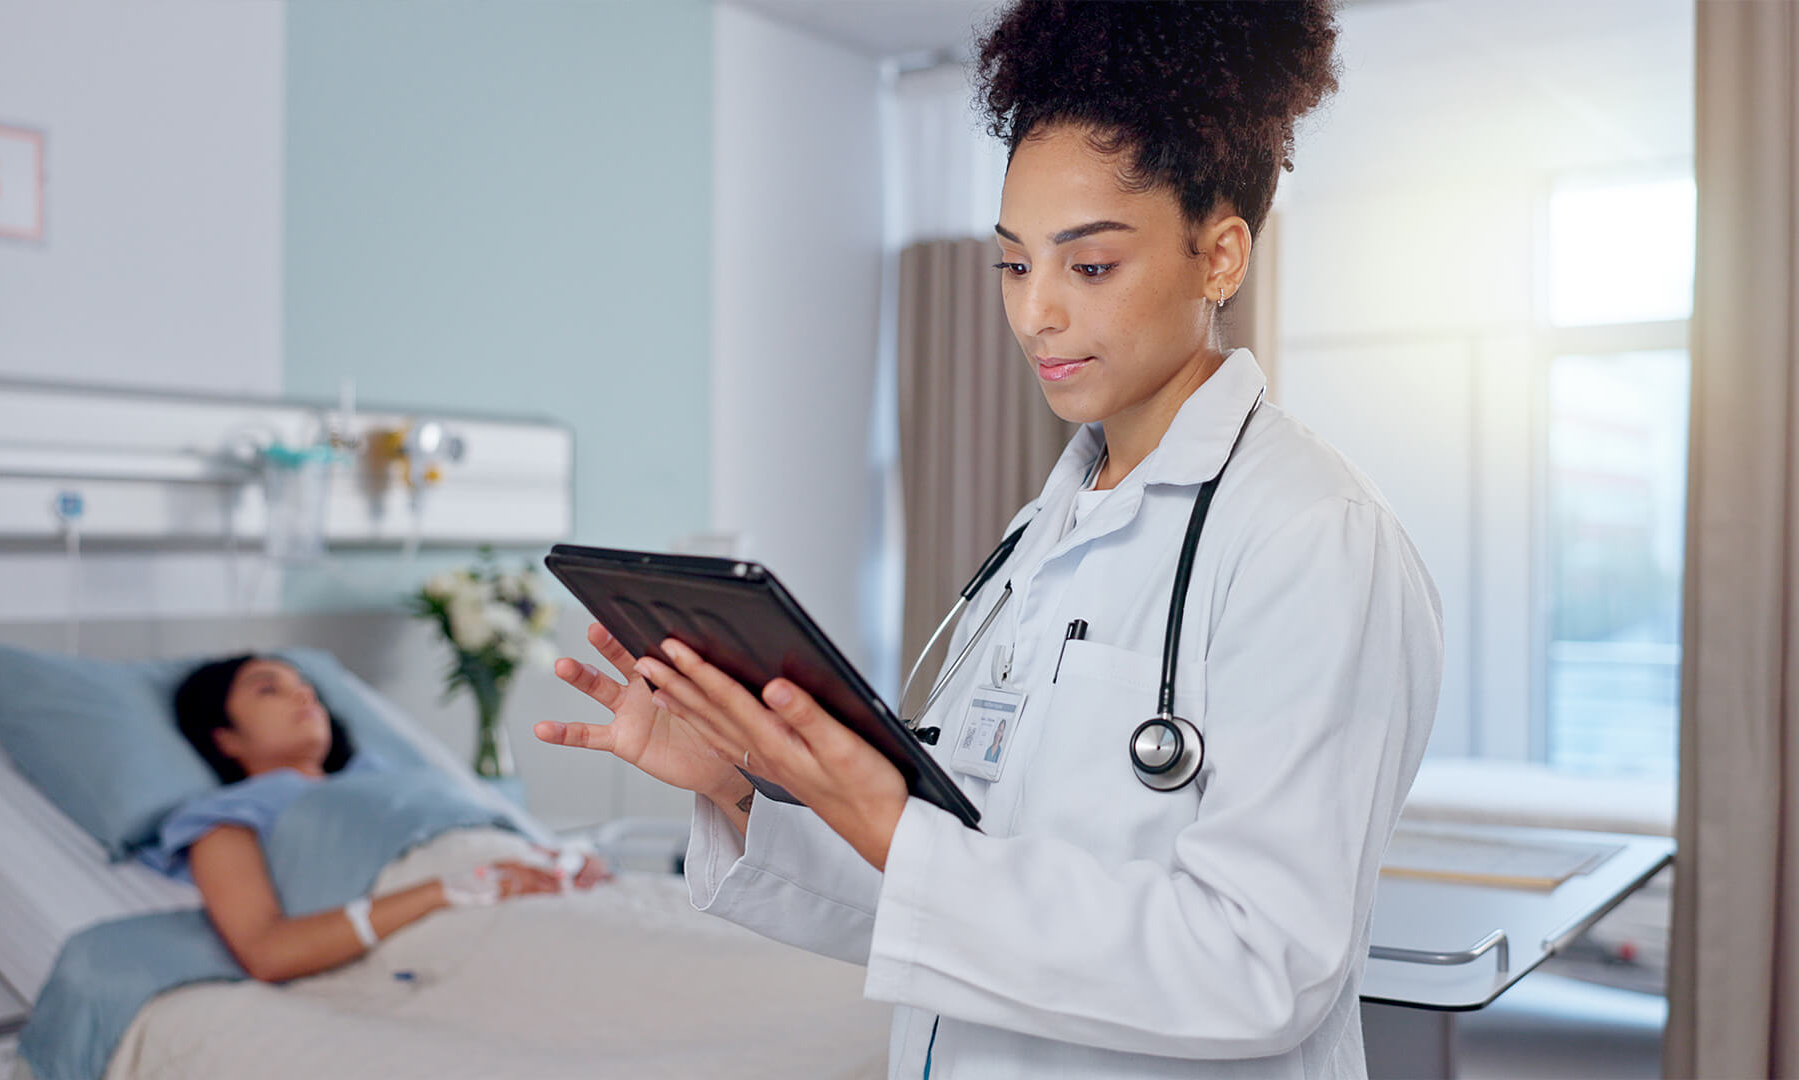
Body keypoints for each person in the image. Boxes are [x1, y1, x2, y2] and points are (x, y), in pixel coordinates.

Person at [537, 2, 1440, 1076]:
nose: (1036, 314)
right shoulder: (1037, 539)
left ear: (1221, 255)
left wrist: (895, 827)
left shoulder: (1311, 540)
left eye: (1089, 267)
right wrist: (748, 786)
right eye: (1015, 266)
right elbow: (947, 903)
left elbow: (1260, 966)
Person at [156, 655, 607, 983]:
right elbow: (267, 952)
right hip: (459, 925)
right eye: (268, 688)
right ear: (226, 738)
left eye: (304, 686)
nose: (302, 694)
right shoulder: (227, 821)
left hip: (549, 890)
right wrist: (451, 888)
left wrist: (565, 858)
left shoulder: (385, 776)